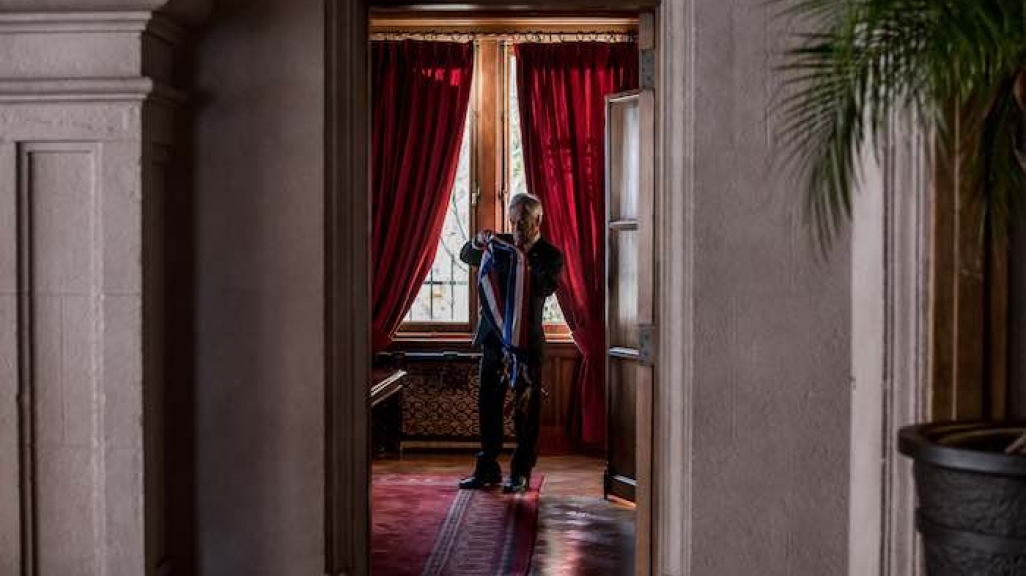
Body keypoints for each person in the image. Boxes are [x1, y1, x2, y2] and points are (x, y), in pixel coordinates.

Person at [457, 193, 564, 493]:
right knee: (488, 405)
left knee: (525, 413)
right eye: (513, 221)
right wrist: (479, 240)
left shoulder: (550, 255)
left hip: (526, 346)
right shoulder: (500, 244)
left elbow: (545, 286)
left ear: (538, 220)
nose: (516, 228)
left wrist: (523, 261)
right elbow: (467, 255)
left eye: (523, 223)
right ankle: (487, 469)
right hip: (493, 343)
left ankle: (520, 473)